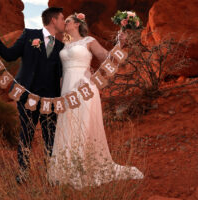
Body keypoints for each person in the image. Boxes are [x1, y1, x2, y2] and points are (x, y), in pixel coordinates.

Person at [47, 13, 144, 189]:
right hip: (67, 89)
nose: (65, 23)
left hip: (85, 87)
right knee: (67, 125)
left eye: (67, 21)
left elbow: (105, 56)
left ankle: (80, 170)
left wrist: (120, 43)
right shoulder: (65, 43)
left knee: (82, 125)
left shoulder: (89, 40)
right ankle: (64, 171)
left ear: (76, 24)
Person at [0, 7, 65, 184]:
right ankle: (23, 172)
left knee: (50, 137)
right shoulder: (29, 35)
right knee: (26, 133)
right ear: (53, 20)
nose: (64, 23)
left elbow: (62, 73)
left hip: (50, 100)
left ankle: (51, 174)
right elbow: (9, 55)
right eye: (62, 19)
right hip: (26, 95)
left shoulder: (61, 46)